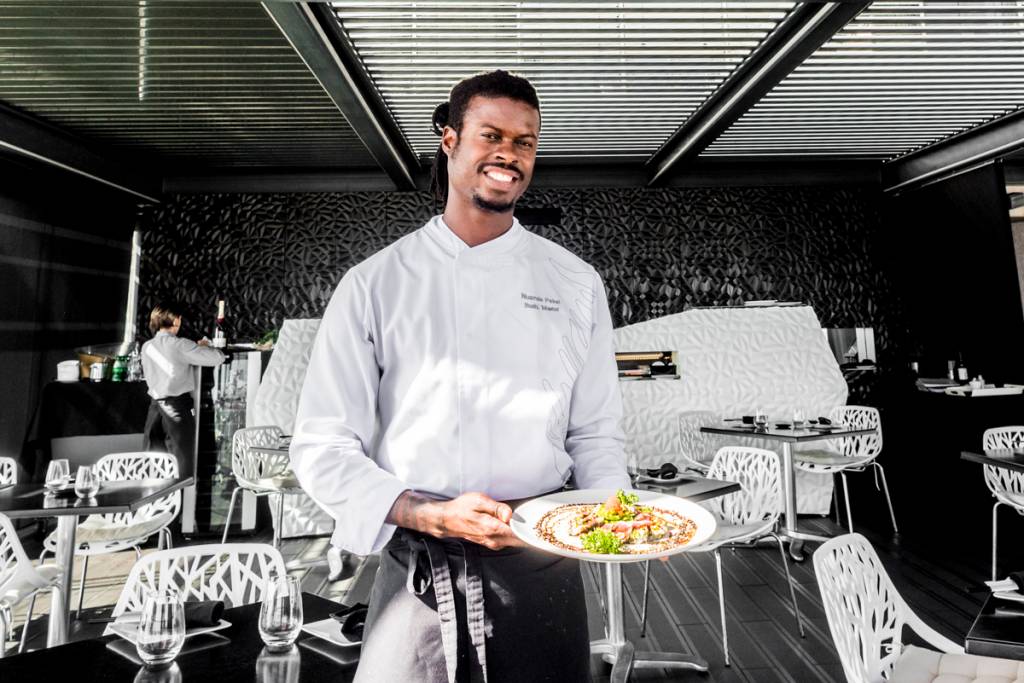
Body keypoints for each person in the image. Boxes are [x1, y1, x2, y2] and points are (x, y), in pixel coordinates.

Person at [290, 70, 629, 682]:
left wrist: (608, 519)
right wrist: (426, 513)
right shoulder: (375, 284)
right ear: (449, 140)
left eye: (525, 141)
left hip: (542, 565)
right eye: (490, 135)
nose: (509, 153)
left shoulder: (576, 284)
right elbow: (322, 444)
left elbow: (596, 435)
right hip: (417, 572)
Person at [141, 302, 225, 477]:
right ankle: (180, 501)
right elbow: (217, 358)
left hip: (154, 408)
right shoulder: (179, 345)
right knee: (182, 461)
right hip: (177, 408)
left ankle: (157, 502)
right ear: (176, 321)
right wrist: (204, 346)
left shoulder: (146, 346)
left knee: (153, 461)